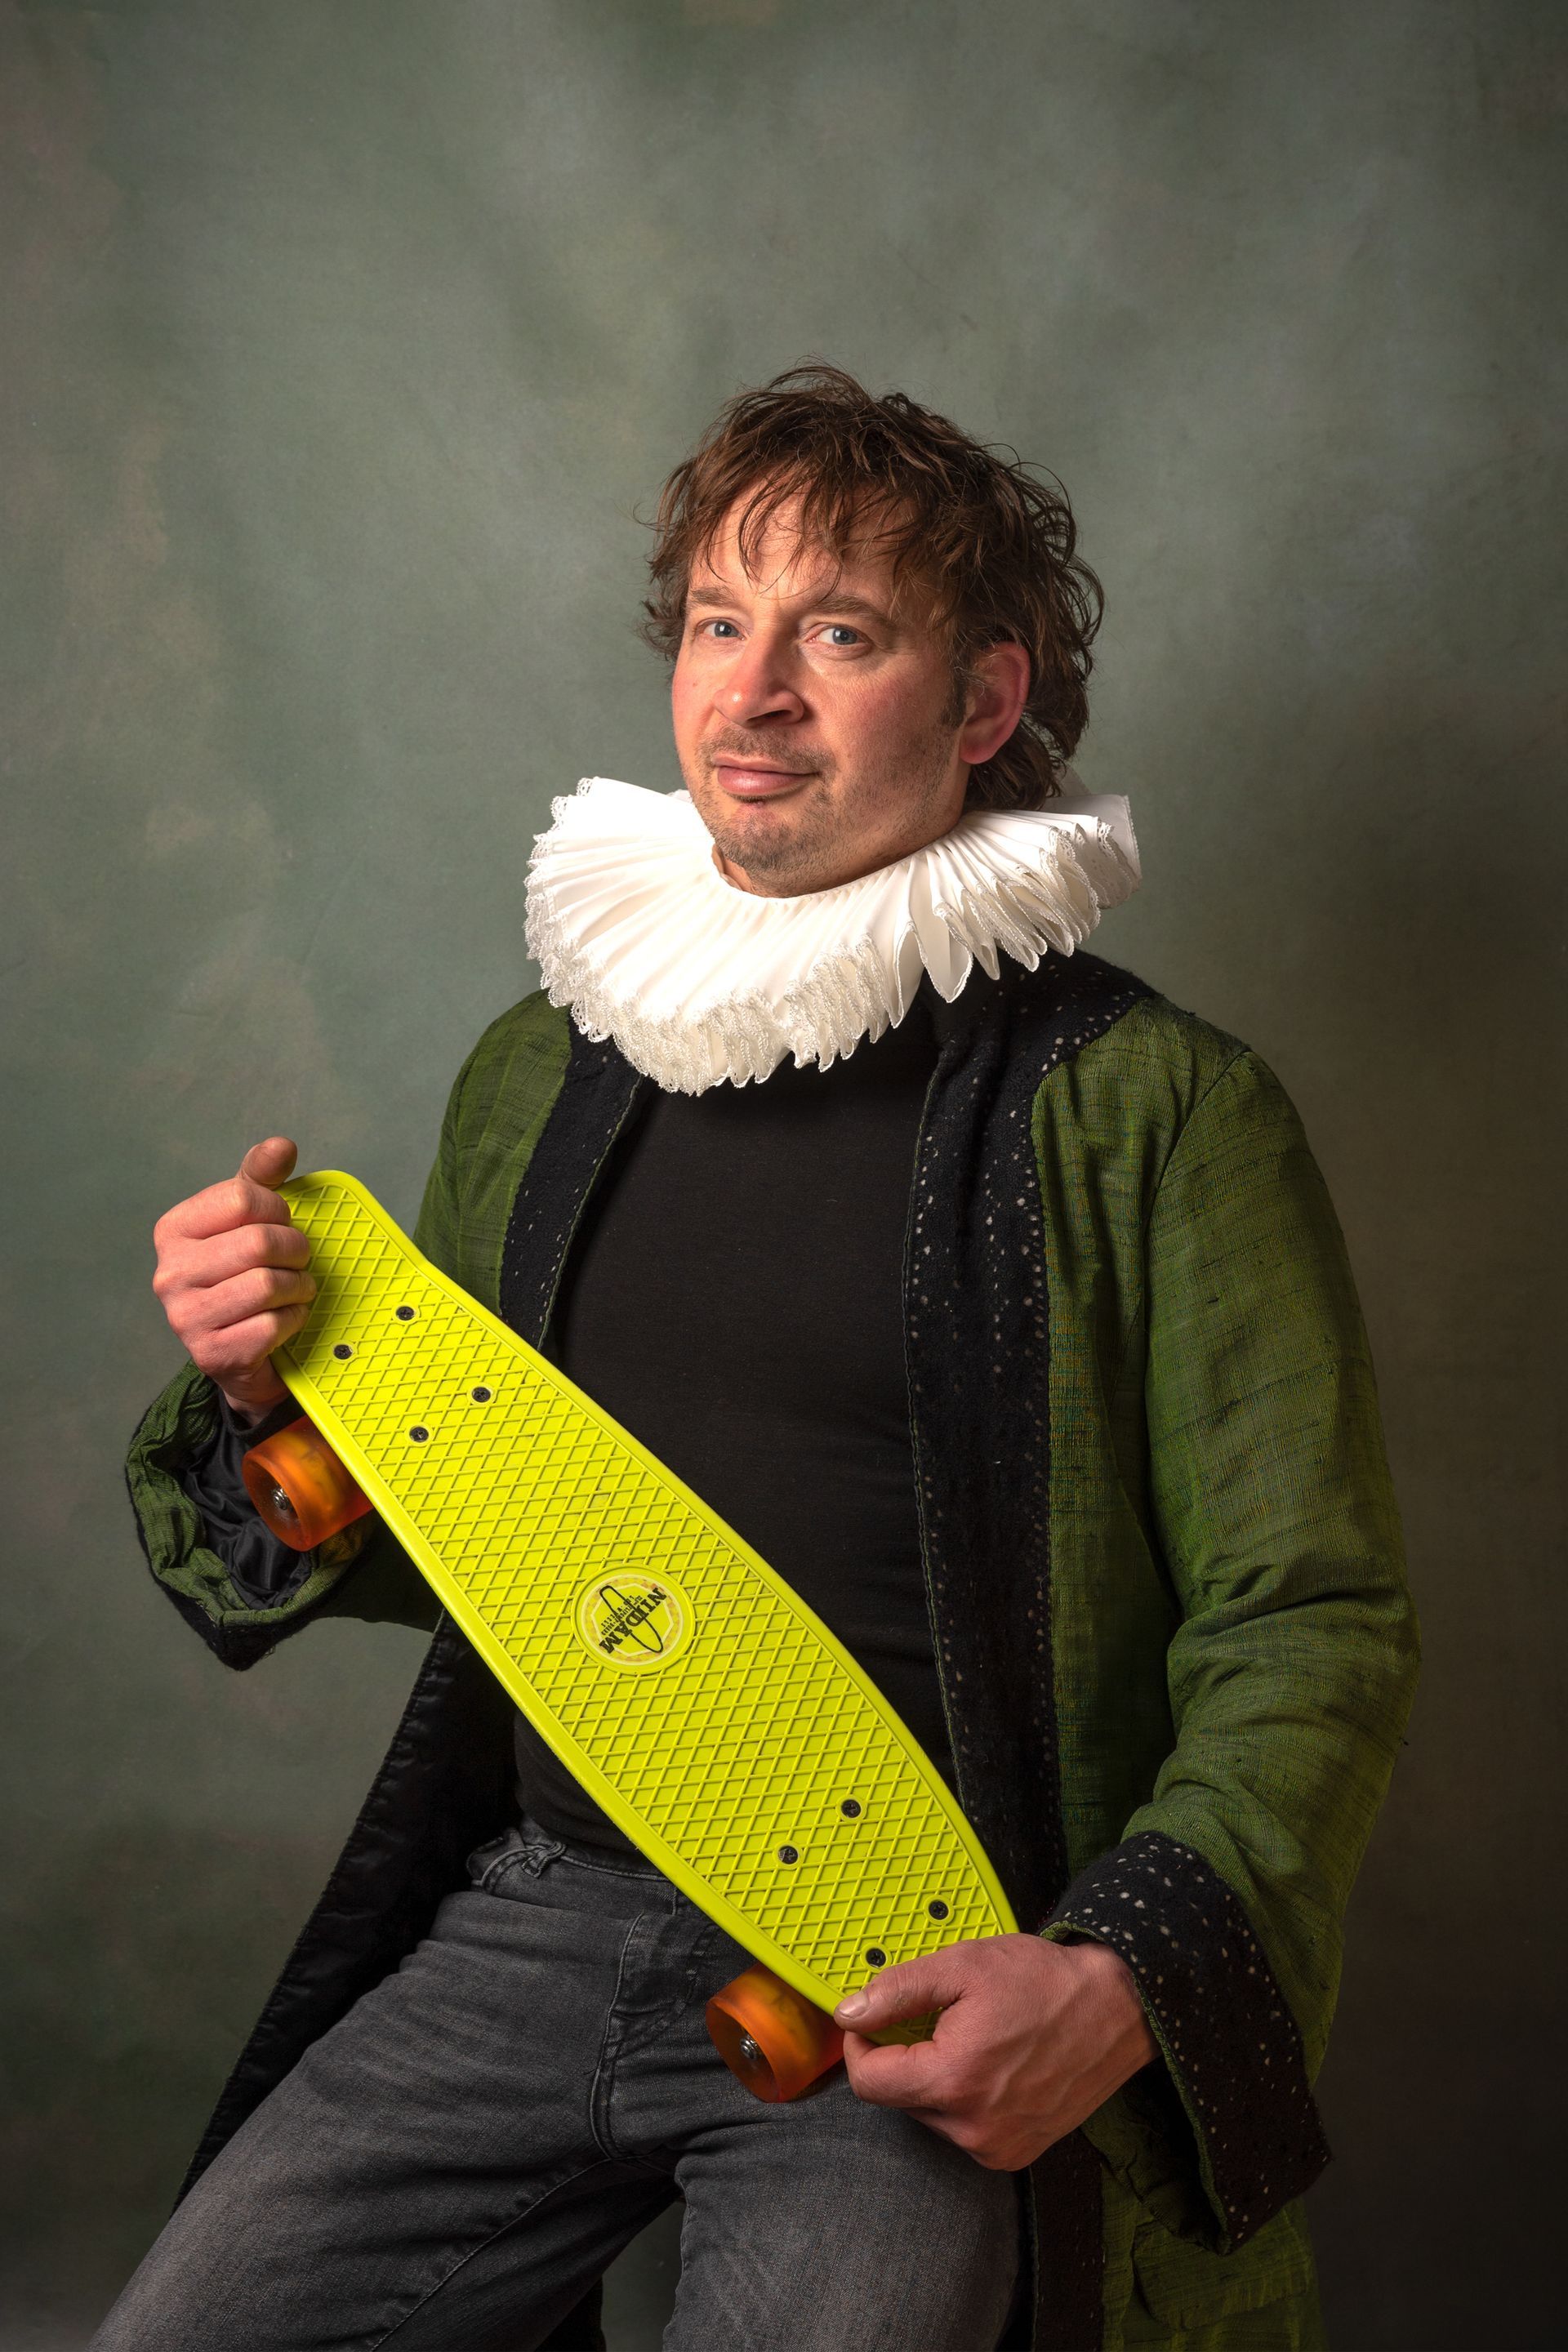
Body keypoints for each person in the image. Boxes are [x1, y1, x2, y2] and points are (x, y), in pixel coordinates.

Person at [101, 365, 1419, 2352]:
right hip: (539, 1912)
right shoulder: (541, 1070)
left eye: (843, 634)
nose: (755, 693)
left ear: (983, 703)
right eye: (721, 625)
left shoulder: (1157, 1114)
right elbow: (466, 1525)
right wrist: (268, 1385)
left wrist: (1115, 1980)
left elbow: (1307, 1620)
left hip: (903, 1964)